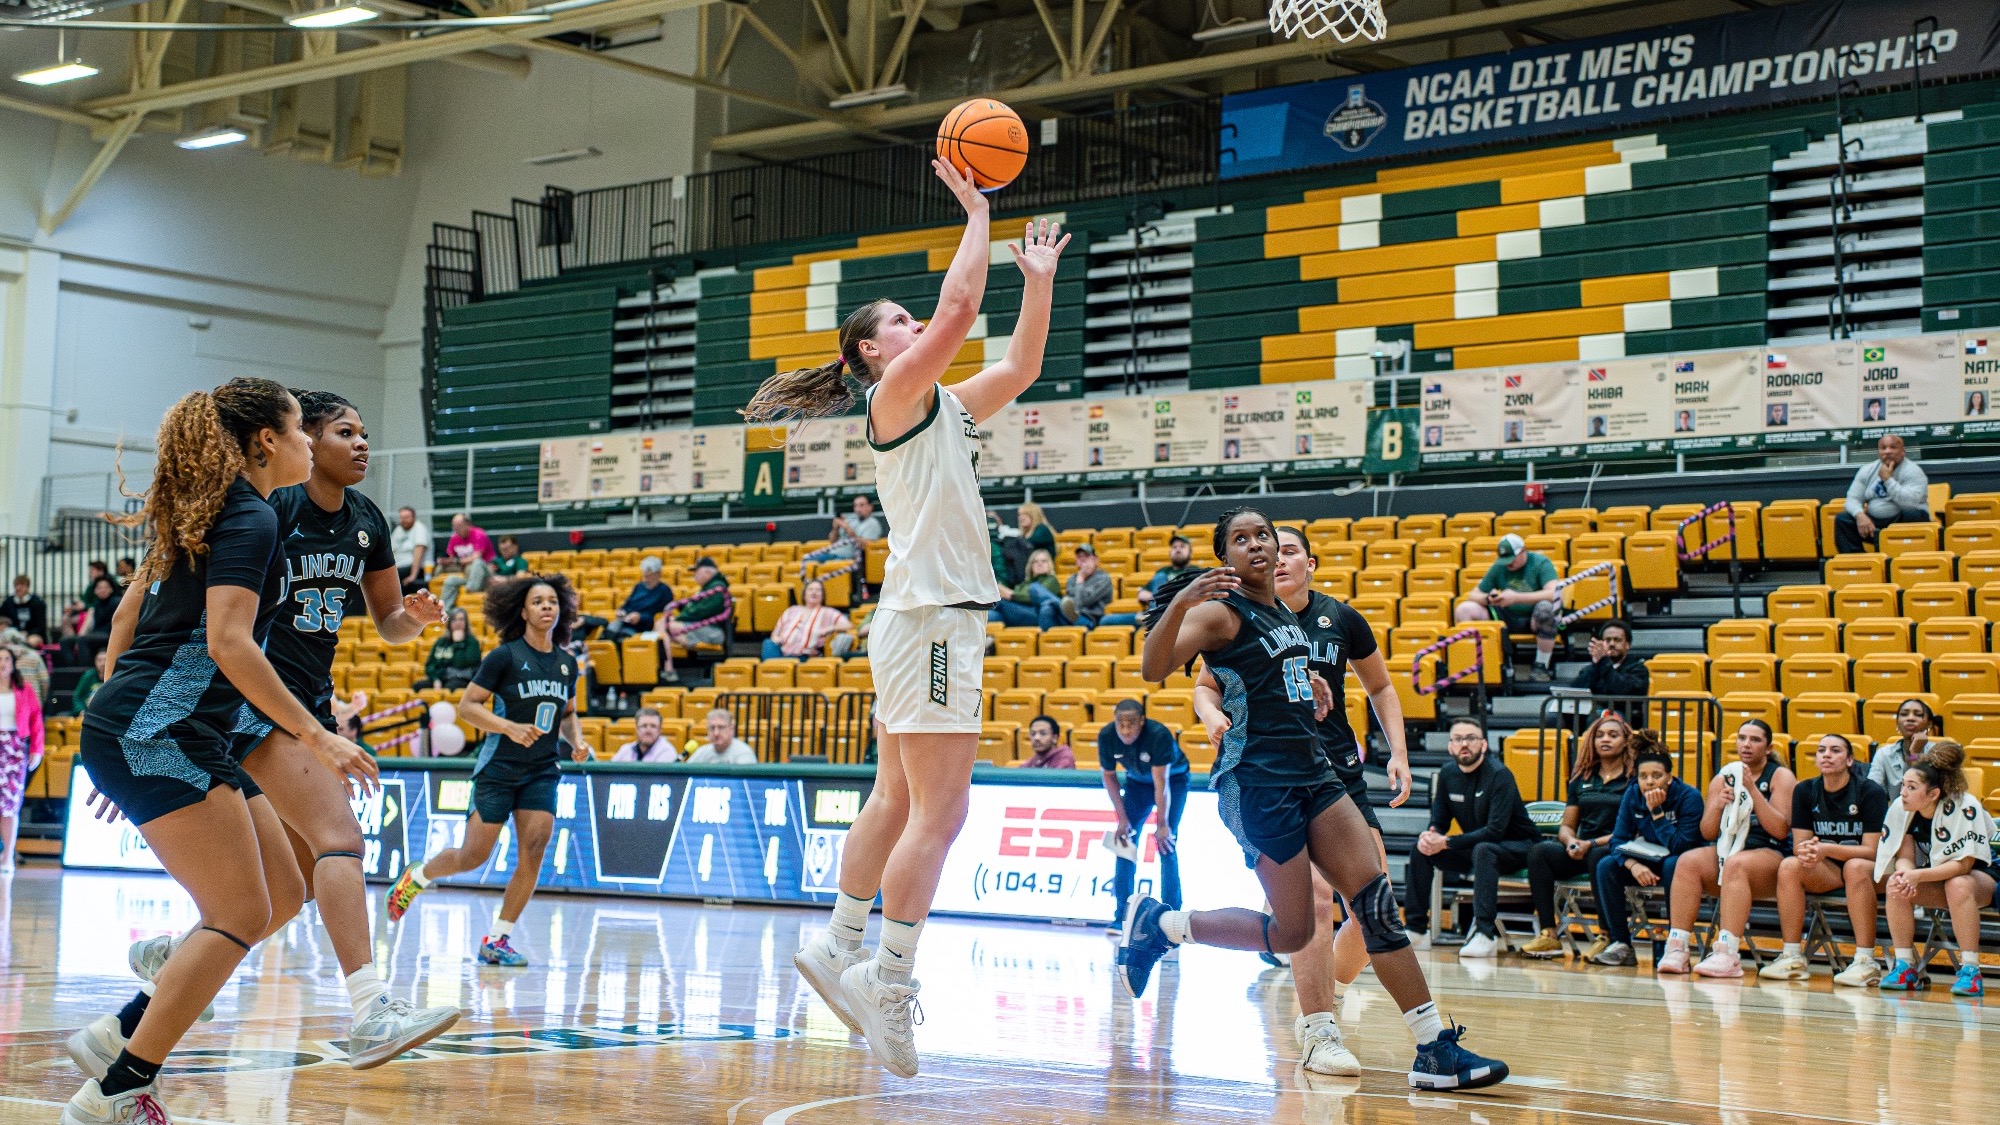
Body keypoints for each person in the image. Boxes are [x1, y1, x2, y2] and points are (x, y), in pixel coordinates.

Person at [753, 159, 1068, 1080]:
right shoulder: (896, 399)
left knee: (895, 799)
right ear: (870, 355)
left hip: (918, 616)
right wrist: (975, 212)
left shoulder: (943, 407)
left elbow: (1020, 363)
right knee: (944, 808)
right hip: (933, 619)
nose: (913, 325)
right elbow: (963, 313)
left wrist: (1037, 285)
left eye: (907, 315)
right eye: (896, 321)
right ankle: (888, 980)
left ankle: (840, 942)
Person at [79, 389, 464, 1079]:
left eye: (362, 431)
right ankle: (370, 1006)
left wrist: (416, 618)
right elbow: (151, 614)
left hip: (255, 708)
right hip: (253, 709)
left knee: (283, 894)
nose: (356, 443)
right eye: (340, 430)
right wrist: (129, 731)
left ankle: (133, 1015)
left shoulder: (365, 521)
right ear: (295, 438)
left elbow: (387, 622)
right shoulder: (261, 510)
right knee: (340, 839)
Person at [62, 379, 378, 1125]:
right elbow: (227, 640)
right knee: (237, 909)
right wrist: (317, 732)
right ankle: (119, 1085)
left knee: (279, 890)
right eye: (301, 429)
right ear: (268, 440)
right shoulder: (250, 515)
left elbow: (134, 613)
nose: (308, 442)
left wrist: (122, 723)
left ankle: (122, 1026)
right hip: (159, 728)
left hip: (171, 729)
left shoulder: (217, 512)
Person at [1120, 508, 1507, 1092]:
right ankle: (1164, 925)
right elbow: (1153, 670)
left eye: (1263, 536)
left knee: (1375, 903)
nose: (1255, 545)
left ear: (1281, 548)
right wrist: (1181, 603)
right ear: (1226, 557)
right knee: (1295, 931)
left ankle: (1434, 1049)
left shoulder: (1291, 613)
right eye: (1240, 540)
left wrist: (1311, 684)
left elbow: (1281, 669)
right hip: (1259, 784)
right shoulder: (1219, 613)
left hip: (1317, 776)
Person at [1193, 524, 1410, 1075]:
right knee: (1314, 904)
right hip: (1277, 774)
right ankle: (1318, 1023)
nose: (1280, 558)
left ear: (1311, 564)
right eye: (1275, 549)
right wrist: (1213, 716)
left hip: (1339, 775)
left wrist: (1398, 751)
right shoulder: (1240, 616)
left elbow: (1381, 686)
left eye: (1292, 551)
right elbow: (1205, 684)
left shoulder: (1340, 620)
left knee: (1373, 912)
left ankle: (1316, 987)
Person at [386, 574, 588, 966]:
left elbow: (568, 713)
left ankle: (497, 939)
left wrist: (577, 741)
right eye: (538, 601)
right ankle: (419, 876)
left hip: (542, 769)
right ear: (523, 612)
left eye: (552, 601)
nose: (547, 606)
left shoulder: (567, 664)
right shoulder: (504, 657)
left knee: (535, 847)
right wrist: (509, 726)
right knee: (473, 856)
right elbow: (468, 707)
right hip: (499, 767)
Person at [1656, 719, 1795, 976]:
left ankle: (1727, 953)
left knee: (1736, 864)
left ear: (1768, 747)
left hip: (1770, 854)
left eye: (1755, 740)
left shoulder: (1780, 776)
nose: (1746, 744)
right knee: (1687, 861)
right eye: (1742, 738)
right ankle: (1678, 948)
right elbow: (1707, 832)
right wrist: (1718, 804)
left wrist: (1753, 791)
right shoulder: (1724, 776)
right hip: (1728, 851)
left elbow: (1780, 829)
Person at [1401, 717, 1542, 957]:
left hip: (1520, 847)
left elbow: (1495, 830)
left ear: (1483, 745)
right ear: (1450, 746)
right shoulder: (1447, 774)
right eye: (1458, 739)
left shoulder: (1500, 775)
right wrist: (1432, 835)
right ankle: (1416, 930)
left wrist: (1446, 842)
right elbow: (1440, 820)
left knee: (1484, 849)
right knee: (1421, 849)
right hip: (1480, 849)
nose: (1464, 744)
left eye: (1471, 738)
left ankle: (1485, 934)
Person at [1760, 734, 1891, 983]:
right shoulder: (1805, 790)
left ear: (1850, 760)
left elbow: (1872, 851)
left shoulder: (1869, 791)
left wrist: (1827, 850)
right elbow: (1800, 845)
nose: (1826, 755)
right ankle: (1791, 957)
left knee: (1855, 867)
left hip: (1869, 869)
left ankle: (1866, 961)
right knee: (1789, 865)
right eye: (1821, 750)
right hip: (1829, 868)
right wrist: (1808, 853)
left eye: (1835, 750)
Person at [1877, 740, 1997, 996]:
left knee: (1958, 884)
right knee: (1895, 884)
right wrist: (1906, 873)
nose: (1903, 793)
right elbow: (1904, 854)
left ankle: (1971, 971)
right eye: (1903, 786)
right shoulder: (1903, 808)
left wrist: (1917, 875)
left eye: (1911, 787)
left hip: (1983, 877)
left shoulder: (1965, 806)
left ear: (1933, 794)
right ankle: (1905, 966)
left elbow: (1963, 865)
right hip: (1937, 876)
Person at [1519, 710, 1634, 958]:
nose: (1605, 739)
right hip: (1584, 845)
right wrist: (1571, 841)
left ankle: (1607, 935)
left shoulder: (1632, 780)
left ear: (1626, 741)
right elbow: (1567, 825)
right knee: (1540, 851)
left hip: (1616, 847)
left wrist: (1590, 844)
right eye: (1600, 735)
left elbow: (1630, 829)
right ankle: (1548, 934)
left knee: (1598, 857)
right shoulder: (1581, 778)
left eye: (1613, 735)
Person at [1588, 732, 1705, 967]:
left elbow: (1682, 846)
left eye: (1656, 775)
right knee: (1605, 864)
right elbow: (1618, 839)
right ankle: (1621, 943)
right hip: (1648, 857)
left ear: (1670, 777)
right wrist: (1633, 865)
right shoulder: (1632, 793)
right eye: (1643, 776)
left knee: (1675, 864)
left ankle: (1676, 944)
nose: (1649, 782)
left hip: (1681, 860)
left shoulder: (1689, 797)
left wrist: (1657, 814)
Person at [1098, 700, 1190, 934]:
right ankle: (1122, 916)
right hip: (1137, 783)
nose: (1126, 730)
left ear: (1142, 722)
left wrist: (1162, 825)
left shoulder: (1158, 735)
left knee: (1167, 842)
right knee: (1124, 843)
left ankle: (1171, 916)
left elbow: (1162, 784)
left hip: (1173, 782)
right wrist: (1122, 820)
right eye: (1121, 724)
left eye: (1131, 724)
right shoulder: (1107, 736)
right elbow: (1109, 778)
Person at [1455, 533, 1562, 683]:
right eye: (1505, 560)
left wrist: (1517, 597)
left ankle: (1541, 665)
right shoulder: (1499, 566)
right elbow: (1473, 595)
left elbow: (1553, 594)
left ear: (1523, 551)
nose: (1508, 564)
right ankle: (1479, 663)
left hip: (1533, 617)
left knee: (1546, 609)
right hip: (1506, 616)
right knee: (1464, 609)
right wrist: (1488, 598)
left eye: (1511, 560)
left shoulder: (1541, 563)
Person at [1835, 435, 1930, 554]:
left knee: (1913, 514)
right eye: (1883, 448)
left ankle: (1907, 557)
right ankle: (1858, 563)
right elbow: (1852, 499)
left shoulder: (1913, 471)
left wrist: (1888, 480)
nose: (1888, 451)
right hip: (1874, 525)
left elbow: (1909, 503)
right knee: (1843, 519)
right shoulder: (1867, 470)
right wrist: (1860, 515)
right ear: (1879, 452)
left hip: (1902, 521)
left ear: (1903, 452)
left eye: (1893, 447)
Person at [0, 645, 44, 872]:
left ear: (13, 663)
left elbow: (36, 721)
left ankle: (7, 856)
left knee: (10, 805)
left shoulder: (24, 689)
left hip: (15, 750)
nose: (3, 663)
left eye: (7, 659)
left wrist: (37, 749)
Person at [658, 557, 732, 683]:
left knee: (665, 626)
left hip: (714, 632)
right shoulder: (709, 588)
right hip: (703, 628)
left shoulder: (717, 588)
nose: (694, 575)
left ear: (707, 572)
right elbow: (694, 610)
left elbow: (699, 612)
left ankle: (668, 669)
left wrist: (678, 617)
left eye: (696, 572)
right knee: (661, 625)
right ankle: (668, 667)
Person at [1102, 534, 1196, 628]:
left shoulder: (1195, 571)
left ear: (1190, 553)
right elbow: (1142, 595)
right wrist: (1161, 597)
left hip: (1183, 613)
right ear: (1170, 553)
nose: (1178, 549)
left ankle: (1158, 616)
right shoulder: (1163, 571)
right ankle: (1157, 616)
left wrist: (1161, 597)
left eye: (1182, 546)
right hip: (1154, 611)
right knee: (1105, 620)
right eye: (1174, 547)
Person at [800, 495, 886, 583]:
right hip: (832, 554)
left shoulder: (872, 524)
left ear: (870, 507)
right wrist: (835, 528)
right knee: (805, 562)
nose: (858, 509)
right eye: (855, 506)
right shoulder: (851, 521)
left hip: (847, 558)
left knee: (816, 567)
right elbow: (832, 541)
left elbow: (864, 545)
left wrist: (846, 527)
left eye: (861, 505)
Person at [764, 579, 854, 659]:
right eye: (810, 589)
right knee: (768, 643)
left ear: (822, 596)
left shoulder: (828, 612)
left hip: (805, 654)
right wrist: (776, 638)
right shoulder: (791, 610)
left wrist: (830, 628)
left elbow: (848, 625)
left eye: (818, 590)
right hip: (782, 651)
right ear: (804, 594)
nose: (814, 592)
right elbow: (775, 633)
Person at [1867, 697, 1938, 793]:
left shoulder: (1938, 753)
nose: (1910, 718)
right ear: (1897, 724)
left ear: (1929, 724)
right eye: (1904, 714)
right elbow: (1872, 790)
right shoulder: (1884, 753)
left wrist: (1915, 754)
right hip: (1896, 807)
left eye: (1918, 715)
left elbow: (1918, 790)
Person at [991, 548, 1065, 629]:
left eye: (1044, 561)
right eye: (1035, 561)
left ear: (1049, 564)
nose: (1039, 564)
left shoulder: (1051, 580)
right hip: (1023, 613)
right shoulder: (1026, 582)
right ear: (1031, 565)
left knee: (1001, 603)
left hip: (1041, 614)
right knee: (994, 615)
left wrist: (1011, 595)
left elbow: (1030, 596)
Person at [1571, 619, 1647, 698]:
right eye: (1607, 640)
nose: (1612, 644)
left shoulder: (1639, 670)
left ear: (1627, 645)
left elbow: (1622, 691)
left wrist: (1604, 661)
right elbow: (1574, 692)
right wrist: (1596, 666)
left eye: (1617, 640)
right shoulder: (1591, 669)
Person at [605, 556, 674, 641]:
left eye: (649, 576)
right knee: (610, 630)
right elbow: (627, 604)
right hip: (626, 621)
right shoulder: (639, 586)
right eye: (644, 576)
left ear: (658, 574)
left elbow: (662, 615)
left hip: (644, 627)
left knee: (622, 638)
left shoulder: (664, 591)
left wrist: (641, 617)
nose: (646, 580)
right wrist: (621, 611)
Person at [438, 513, 496, 610]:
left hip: (485, 574)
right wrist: (444, 562)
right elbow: (451, 558)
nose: (456, 530)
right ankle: (443, 611)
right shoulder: (454, 538)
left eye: (459, 526)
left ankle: (471, 590)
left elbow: (477, 557)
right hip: (468, 576)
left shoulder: (479, 534)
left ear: (467, 525)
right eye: (454, 527)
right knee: (450, 580)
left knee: (477, 562)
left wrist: (457, 561)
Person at [62, 575, 121, 668]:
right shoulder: (97, 603)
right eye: (99, 587)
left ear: (111, 589)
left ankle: (85, 670)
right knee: (65, 641)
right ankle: (72, 669)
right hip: (96, 634)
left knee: (83, 639)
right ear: (95, 590)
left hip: (110, 634)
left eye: (106, 587)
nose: (102, 590)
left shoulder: (116, 602)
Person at [420, 607, 483, 691]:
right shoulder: (441, 642)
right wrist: (436, 678)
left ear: (466, 623)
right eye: (454, 620)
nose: (458, 623)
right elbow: (430, 664)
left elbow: (461, 664)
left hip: (462, 678)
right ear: (449, 623)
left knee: (450, 687)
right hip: (442, 677)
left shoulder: (472, 642)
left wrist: (458, 644)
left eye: (461, 619)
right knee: (418, 687)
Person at [1063, 543, 1114, 626]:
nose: (1083, 560)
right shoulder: (1072, 579)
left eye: (1086, 556)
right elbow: (1070, 601)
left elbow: (1081, 603)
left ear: (1095, 560)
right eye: (1079, 557)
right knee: (1047, 610)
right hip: (1071, 617)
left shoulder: (1103, 579)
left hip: (1090, 619)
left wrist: (1080, 579)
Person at [686, 708, 757, 764]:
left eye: (721, 727)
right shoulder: (702, 752)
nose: (716, 733)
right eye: (712, 728)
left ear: (731, 729)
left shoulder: (743, 753)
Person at [612, 707, 678, 763]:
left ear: (660, 730)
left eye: (653, 726)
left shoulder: (667, 752)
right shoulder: (625, 749)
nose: (648, 730)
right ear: (636, 729)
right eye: (644, 726)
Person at [390, 506, 432, 595]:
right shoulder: (398, 530)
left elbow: (418, 553)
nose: (403, 520)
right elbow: (390, 551)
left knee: (392, 576)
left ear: (414, 518)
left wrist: (413, 576)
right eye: (401, 517)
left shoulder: (420, 529)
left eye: (407, 517)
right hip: (398, 567)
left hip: (417, 568)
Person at [1, 575, 47, 639]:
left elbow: (41, 626)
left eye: (22, 585)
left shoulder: (37, 603)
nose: (18, 588)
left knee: (32, 641)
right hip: (12, 634)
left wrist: (28, 633)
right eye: (16, 585)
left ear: (27, 587)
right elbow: (2, 618)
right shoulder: (8, 602)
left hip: (32, 634)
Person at [70, 648, 107, 715]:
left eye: (105, 660)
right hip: (87, 713)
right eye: (99, 660)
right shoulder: (88, 675)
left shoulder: (114, 676)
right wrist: (81, 710)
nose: (102, 664)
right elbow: (77, 697)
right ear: (95, 662)